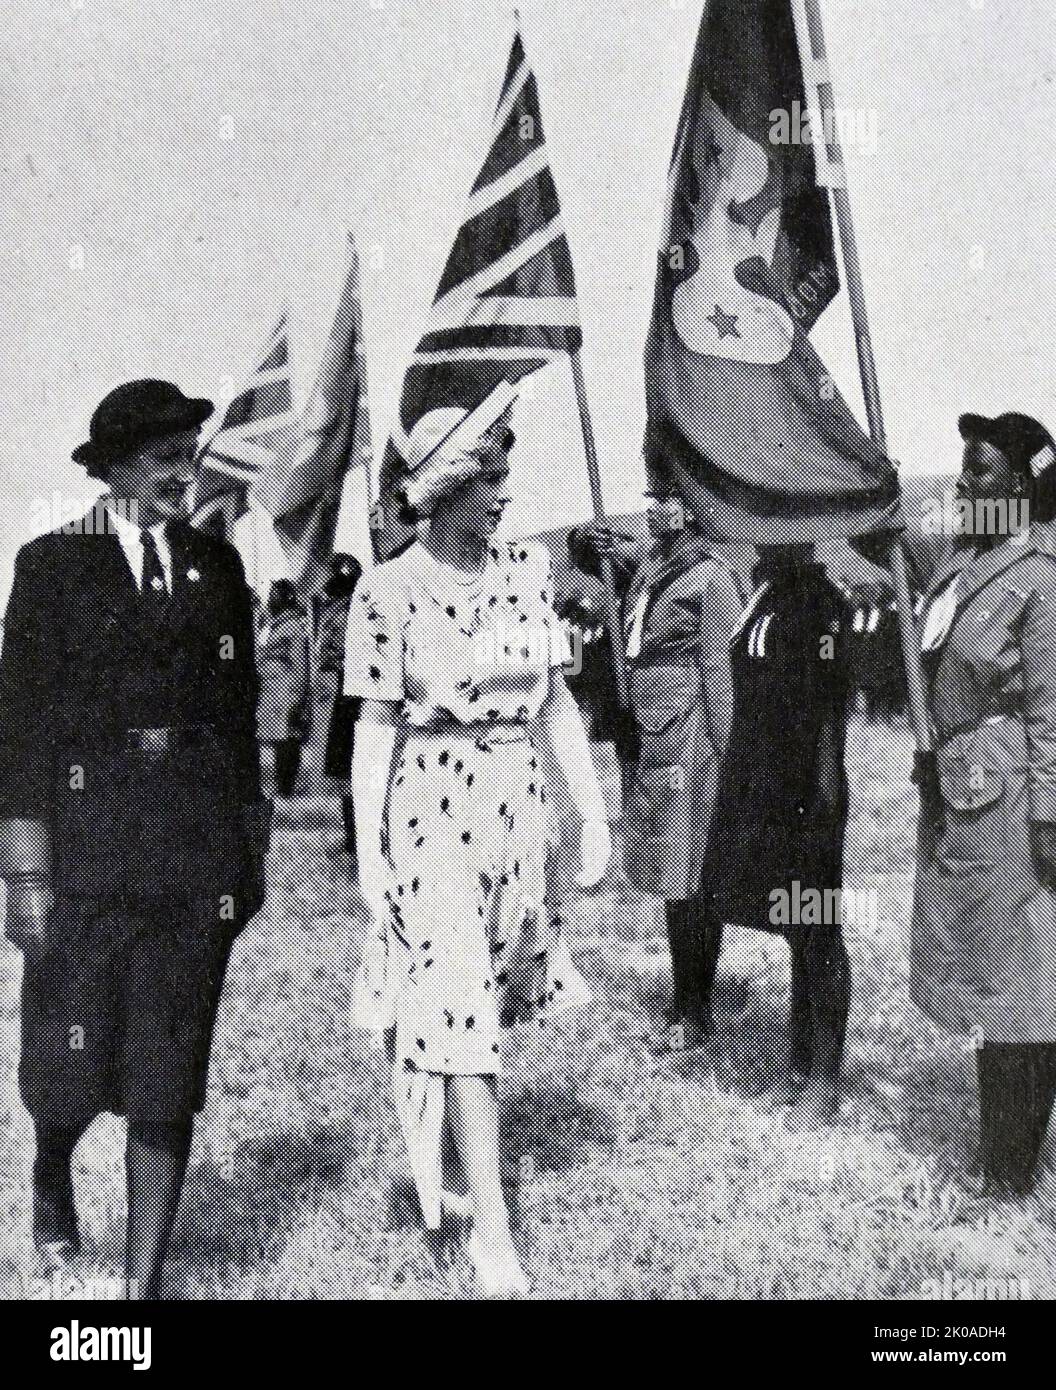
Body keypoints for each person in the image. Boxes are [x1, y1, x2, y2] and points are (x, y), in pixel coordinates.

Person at [0, 379, 269, 1298]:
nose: (183, 474)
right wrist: (26, 872)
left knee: (169, 1065)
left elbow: (238, 715)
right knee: (68, 1064)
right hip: (85, 856)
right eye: (163, 459)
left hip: (192, 855)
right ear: (114, 467)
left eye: (190, 456)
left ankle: (139, 1290)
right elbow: (21, 725)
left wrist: (247, 848)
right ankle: (51, 1174)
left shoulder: (217, 567)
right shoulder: (52, 565)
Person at [345, 388, 610, 1296]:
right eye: (487, 478)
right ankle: (493, 1230)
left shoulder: (527, 572)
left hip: (517, 805)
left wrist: (591, 809)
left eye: (505, 475)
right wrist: (371, 852)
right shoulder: (386, 590)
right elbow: (374, 729)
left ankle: (455, 1160)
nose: (503, 494)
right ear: (444, 486)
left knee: (484, 1000)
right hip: (430, 806)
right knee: (458, 1003)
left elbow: (556, 701)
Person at [912, 410, 1056, 1197]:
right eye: (963, 467)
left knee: (1020, 983)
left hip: (1015, 796)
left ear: (1025, 486)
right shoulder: (961, 563)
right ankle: (1000, 1154)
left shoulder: (1041, 579)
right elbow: (879, 537)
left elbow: (1052, 714)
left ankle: (1007, 1172)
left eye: (982, 470)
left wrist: (1049, 818)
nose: (964, 484)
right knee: (991, 975)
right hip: (965, 789)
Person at [568, 461, 742, 1053]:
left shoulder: (709, 576)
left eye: (668, 500)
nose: (656, 511)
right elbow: (629, 631)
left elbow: (717, 667)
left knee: (691, 878)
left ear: (693, 509)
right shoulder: (653, 569)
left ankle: (695, 1006)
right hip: (652, 735)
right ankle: (685, 995)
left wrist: (717, 745)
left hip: (693, 735)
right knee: (670, 879)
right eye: (653, 500)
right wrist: (600, 552)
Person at [706, 543, 852, 1121]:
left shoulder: (821, 603)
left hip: (806, 787)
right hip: (761, 782)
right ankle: (799, 1061)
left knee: (816, 925)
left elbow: (831, 698)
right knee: (792, 924)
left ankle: (823, 1073)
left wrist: (824, 786)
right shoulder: (762, 594)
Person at [316, 553, 364, 855]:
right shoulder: (371, 605)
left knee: (348, 767)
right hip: (365, 694)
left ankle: (354, 837)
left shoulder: (336, 613)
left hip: (350, 696)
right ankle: (360, 836)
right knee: (362, 766)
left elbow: (326, 656)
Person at [257, 578, 311, 798]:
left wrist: (298, 695)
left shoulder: (294, 625)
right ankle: (282, 785)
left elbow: (299, 662)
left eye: (274, 594)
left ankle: (286, 787)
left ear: (284, 598)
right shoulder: (272, 624)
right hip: (272, 689)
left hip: (285, 690)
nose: (270, 598)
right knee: (279, 739)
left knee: (287, 739)